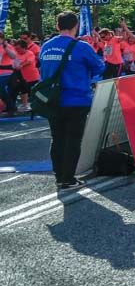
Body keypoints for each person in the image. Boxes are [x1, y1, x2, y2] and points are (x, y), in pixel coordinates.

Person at [39, 11, 105, 189]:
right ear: (76, 26)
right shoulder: (81, 46)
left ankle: (59, 175)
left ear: (57, 25)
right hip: (76, 99)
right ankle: (68, 178)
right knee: (73, 140)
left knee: (57, 138)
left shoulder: (46, 46)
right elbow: (100, 67)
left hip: (52, 100)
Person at [10, 40, 41, 111]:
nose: (16, 50)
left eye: (18, 48)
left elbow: (29, 61)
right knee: (22, 90)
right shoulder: (15, 53)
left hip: (32, 77)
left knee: (34, 93)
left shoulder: (29, 53)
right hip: (21, 77)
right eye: (15, 48)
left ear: (24, 48)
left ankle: (37, 106)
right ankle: (24, 105)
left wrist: (21, 65)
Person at [0, 32, 18, 116]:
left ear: (2, 39)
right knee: (2, 91)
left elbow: (13, 56)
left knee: (1, 90)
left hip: (6, 72)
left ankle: (11, 107)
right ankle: (10, 107)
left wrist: (5, 47)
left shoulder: (7, 46)